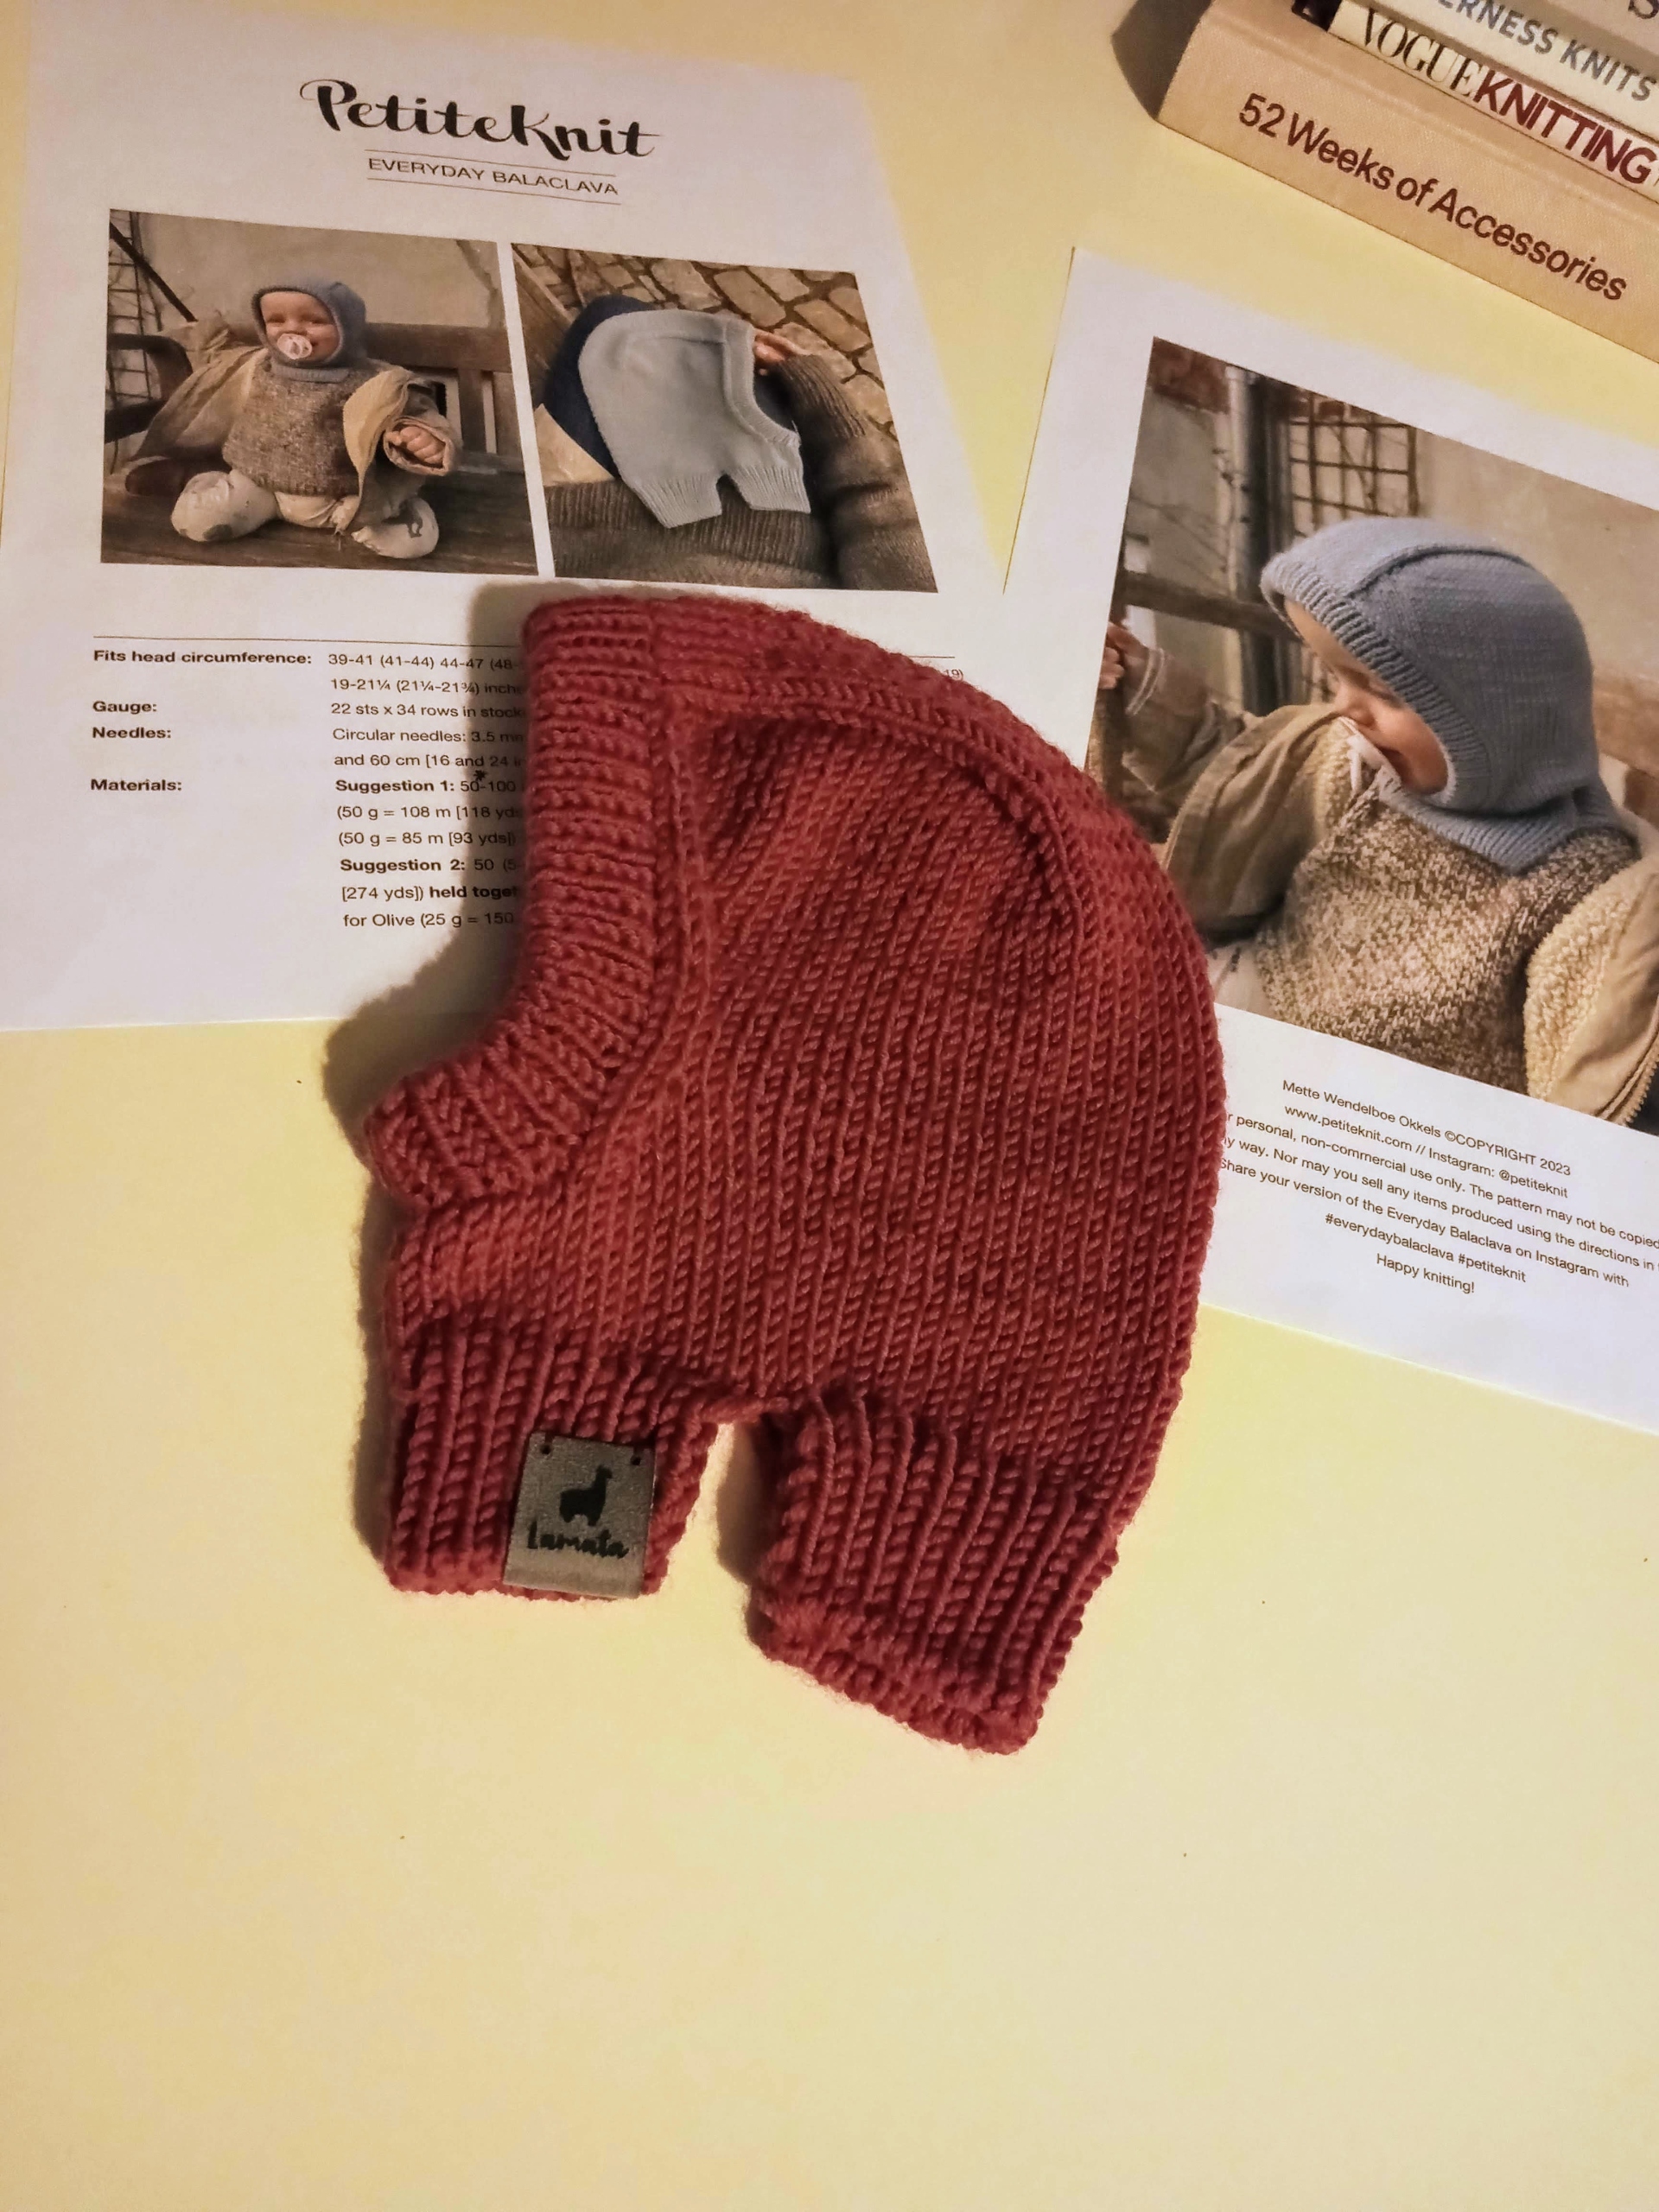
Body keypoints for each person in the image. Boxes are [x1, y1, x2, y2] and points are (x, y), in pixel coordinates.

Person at [1097, 517, 1645, 1103]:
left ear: (1502, 721)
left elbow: (1583, 1056)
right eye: (1336, 677)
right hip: (1217, 987)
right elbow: (1236, 778)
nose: (1344, 708)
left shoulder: (1577, 886)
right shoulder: (1360, 764)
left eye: (1382, 692)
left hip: (1330, 1103)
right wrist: (1141, 691)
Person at [531, 295, 935, 590]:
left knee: (614, 320)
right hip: (785, 529)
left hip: (585, 533)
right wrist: (826, 403)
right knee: (629, 328)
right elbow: (893, 533)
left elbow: (892, 526)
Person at [130, 276, 456, 559]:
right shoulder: (256, 364)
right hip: (258, 486)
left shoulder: (378, 380)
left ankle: (399, 507)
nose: (292, 329)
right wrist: (205, 335)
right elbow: (218, 362)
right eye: (276, 320)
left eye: (313, 320)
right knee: (195, 522)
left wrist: (421, 437)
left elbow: (415, 412)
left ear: (347, 327)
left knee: (412, 542)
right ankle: (196, 477)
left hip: (343, 497)